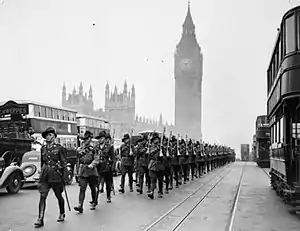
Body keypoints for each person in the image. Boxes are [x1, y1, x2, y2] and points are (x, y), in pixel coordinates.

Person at [34, 127, 67, 228]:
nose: (49, 137)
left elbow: (64, 163)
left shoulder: (59, 148)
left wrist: (64, 176)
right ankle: (40, 218)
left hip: (55, 175)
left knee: (58, 195)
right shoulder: (43, 148)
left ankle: (62, 213)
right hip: (45, 175)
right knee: (42, 196)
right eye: (47, 135)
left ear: (54, 137)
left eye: (51, 135)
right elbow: (42, 162)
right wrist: (41, 173)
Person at [74, 131, 99, 213]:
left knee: (92, 188)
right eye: (84, 139)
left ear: (90, 139)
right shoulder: (80, 149)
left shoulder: (94, 149)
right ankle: (80, 205)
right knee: (82, 188)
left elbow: (96, 159)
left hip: (91, 171)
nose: (86, 140)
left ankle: (94, 202)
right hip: (83, 170)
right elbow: (77, 161)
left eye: (87, 139)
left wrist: (92, 164)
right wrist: (76, 172)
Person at [94, 131, 115, 203]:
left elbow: (113, 158)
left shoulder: (109, 147)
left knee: (108, 183)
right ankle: (95, 201)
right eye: (99, 138)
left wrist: (112, 167)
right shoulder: (96, 147)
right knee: (97, 184)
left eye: (101, 138)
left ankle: (108, 196)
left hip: (106, 167)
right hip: (98, 168)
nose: (100, 140)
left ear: (104, 138)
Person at [148, 132, 165, 199]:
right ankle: (151, 192)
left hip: (160, 164)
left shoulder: (161, 145)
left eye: (157, 139)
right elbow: (150, 153)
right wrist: (157, 149)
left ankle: (160, 191)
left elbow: (164, 154)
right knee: (153, 179)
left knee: (160, 180)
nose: (156, 140)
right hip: (153, 164)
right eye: (155, 139)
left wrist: (162, 148)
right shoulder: (151, 146)